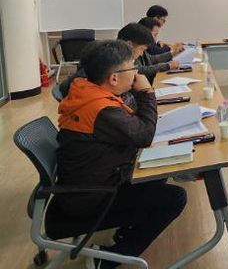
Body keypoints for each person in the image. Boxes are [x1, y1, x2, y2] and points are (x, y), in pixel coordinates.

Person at [47, 40, 187, 269]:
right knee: (175, 198)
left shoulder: (87, 90)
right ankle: (112, 258)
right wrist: (147, 93)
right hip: (93, 197)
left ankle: (124, 235)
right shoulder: (101, 110)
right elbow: (144, 135)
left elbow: (133, 126)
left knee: (158, 173)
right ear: (113, 78)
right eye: (133, 67)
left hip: (90, 183)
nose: (136, 73)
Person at [58, 23, 180, 105]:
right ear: (129, 44)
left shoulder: (119, 57)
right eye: (142, 49)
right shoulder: (111, 61)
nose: (142, 54)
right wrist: (147, 94)